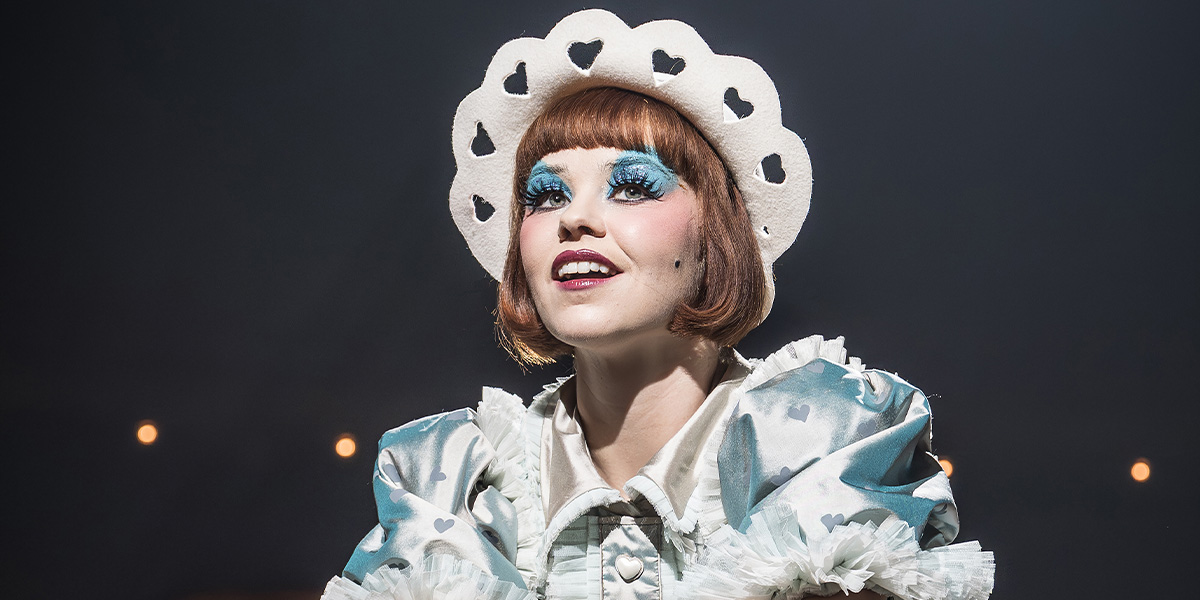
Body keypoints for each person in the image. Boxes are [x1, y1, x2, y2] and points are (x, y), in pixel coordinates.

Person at [321, 10, 994, 600]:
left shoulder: (822, 449)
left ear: (716, 236)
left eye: (634, 185)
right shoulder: (454, 488)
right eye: (546, 195)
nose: (575, 219)